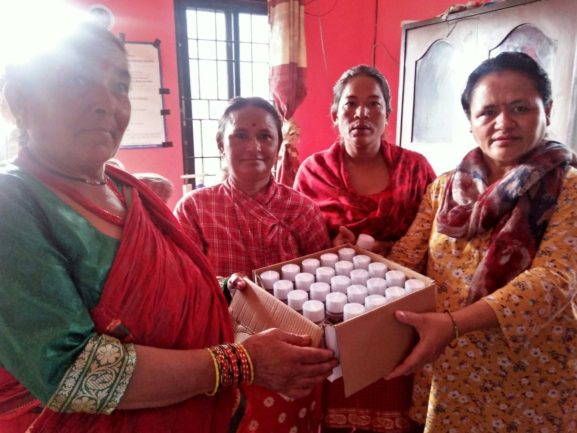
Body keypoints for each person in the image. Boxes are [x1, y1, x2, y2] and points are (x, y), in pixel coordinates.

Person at [0, 22, 336, 433]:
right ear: (20, 99)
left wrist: (221, 289)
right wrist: (242, 362)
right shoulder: (12, 203)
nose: (106, 103)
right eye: (76, 80)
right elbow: (72, 372)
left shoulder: (125, 189)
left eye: (119, 86)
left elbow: (170, 283)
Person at [386, 51, 577, 432]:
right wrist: (362, 263)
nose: (503, 123)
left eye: (520, 108)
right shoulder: (446, 188)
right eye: (488, 112)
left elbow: (553, 281)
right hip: (448, 362)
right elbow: (408, 256)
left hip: (530, 374)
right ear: (471, 122)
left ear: (548, 110)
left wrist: (454, 324)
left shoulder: (569, 188)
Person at [174, 96, 332, 433]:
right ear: (221, 144)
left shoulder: (302, 209)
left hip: (292, 353)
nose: (254, 146)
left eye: (265, 136)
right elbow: (183, 285)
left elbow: (323, 285)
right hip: (223, 352)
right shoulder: (194, 208)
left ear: (278, 146)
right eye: (240, 135)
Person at [294, 65, 435, 433]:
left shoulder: (415, 169)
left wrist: (390, 252)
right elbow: (297, 244)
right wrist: (329, 249)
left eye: (374, 104)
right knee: (338, 402)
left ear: (387, 114)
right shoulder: (313, 171)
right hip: (334, 313)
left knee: (394, 400)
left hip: (400, 312)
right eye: (350, 103)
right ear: (335, 114)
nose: (362, 113)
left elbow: (435, 238)